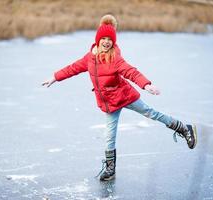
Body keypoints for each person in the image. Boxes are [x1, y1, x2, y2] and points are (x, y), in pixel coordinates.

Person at [42, 14, 197, 181]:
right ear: (98, 40)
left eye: (110, 39)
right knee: (109, 135)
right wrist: (55, 77)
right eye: (104, 38)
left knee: (151, 113)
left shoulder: (115, 58)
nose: (107, 41)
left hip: (125, 95)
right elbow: (72, 68)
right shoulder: (89, 58)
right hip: (110, 104)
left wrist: (146, 85)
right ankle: (110, 169)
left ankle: (183, 128)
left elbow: (131, 71)